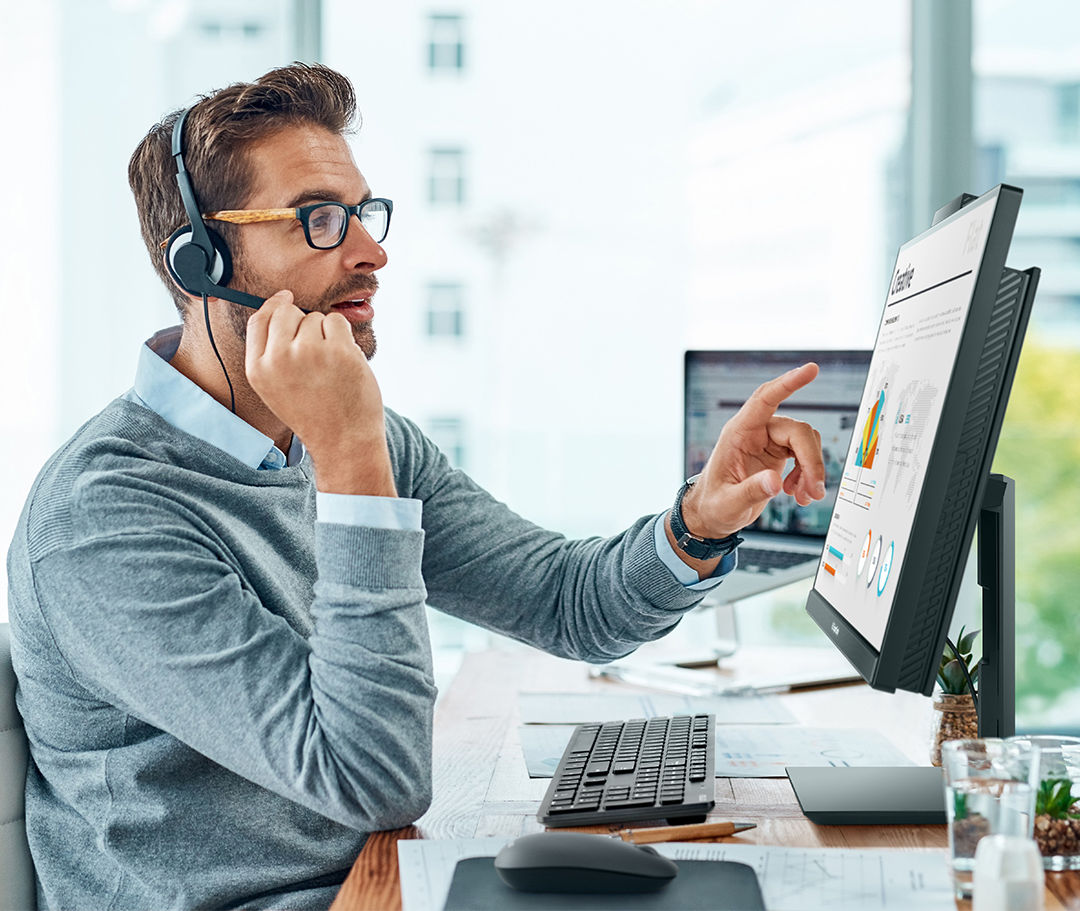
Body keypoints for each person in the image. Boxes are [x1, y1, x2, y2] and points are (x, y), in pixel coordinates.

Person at [6, 63, 825, 910]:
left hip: (377, 881)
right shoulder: (104, 518)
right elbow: (372, 779)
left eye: (364, 214)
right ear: (201, 259)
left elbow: (566, 603)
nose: (372, 251)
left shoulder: (358, 438)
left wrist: (699, 520)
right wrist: (353, 464)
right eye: (319, 220)